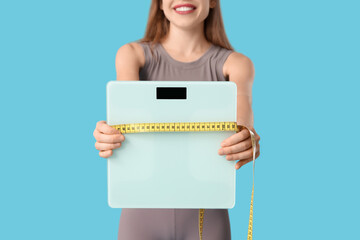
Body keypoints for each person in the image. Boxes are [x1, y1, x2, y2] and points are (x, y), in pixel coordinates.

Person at [93, 0, 261, 239]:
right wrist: (107, 135)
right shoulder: (131, 56)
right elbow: (127, 125)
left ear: (212, 1)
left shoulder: (236, 65)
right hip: (140, 215)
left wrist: (246, 139)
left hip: (208, 215)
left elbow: (242, 124)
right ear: (159, 3)